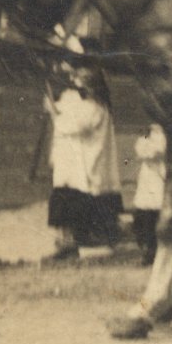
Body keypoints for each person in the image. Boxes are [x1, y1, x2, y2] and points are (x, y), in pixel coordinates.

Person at [45, 64, 122, 260]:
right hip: (74, 163)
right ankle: (68, 243)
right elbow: (67, 112)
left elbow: (74, 125)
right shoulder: (82, 103)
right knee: (67, 198)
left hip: (87, 163)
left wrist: (54, 113)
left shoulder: (95, 107)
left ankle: (86, 243)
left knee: (81, 201)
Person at [130, 126, 168, 265]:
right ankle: (149, 249)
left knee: (161, 212)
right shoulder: (148, 135)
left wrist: (150, 151)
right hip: (148, 177)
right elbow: (141, 147)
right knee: (145, 213)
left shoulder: (168, 134)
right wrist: (146, 150)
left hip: (163, 174)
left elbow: (158, 151)